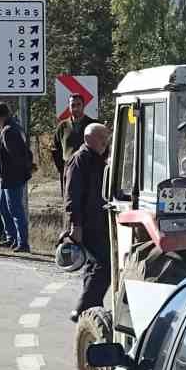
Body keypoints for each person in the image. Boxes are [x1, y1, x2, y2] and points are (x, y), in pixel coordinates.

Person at [66, 122, 111, 322]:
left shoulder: (99, 158)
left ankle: (91, 309)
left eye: (106, 138)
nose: (105, 141)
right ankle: (84, 308)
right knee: (103, 265)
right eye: (101, 138)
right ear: (88, 139)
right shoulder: (80, 160)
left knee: (94, 266)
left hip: (100, 220)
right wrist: (75, 225)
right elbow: (71, 196)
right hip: (86, 222)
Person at [0, 102, 36, 253]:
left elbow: (17, 155)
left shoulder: (9, 131)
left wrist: (21, 171)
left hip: (12, 177)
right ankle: (11, 238)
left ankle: (23, 242)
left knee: (15, 210)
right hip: (7, 177)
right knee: (3, 207)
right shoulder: (13, 127)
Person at [51, 108, 96, 192]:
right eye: (73, 105)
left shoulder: (92, 124)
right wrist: (62, 167)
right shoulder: (62, 126)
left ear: (83, 106)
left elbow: (103, 145)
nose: (75, 108)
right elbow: (55, 148)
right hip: (69, 171)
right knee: (69, 198)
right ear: (70, 107)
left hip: (89, 171)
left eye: (78, 104)